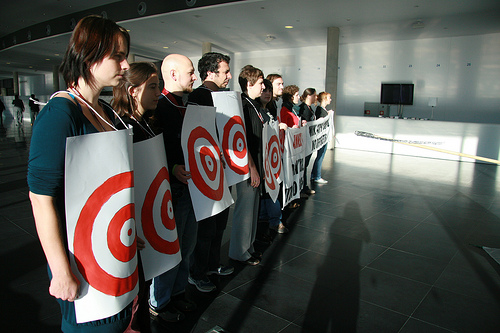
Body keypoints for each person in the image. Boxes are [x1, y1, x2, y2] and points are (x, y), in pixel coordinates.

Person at [27, 15, 132, 332]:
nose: (125, 65)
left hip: (111, 247)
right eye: (118, 55)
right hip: (83, 259)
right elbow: (40, 198)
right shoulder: (60, 113)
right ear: (89, 54)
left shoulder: (105, 109)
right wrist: (60, 271)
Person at [148, 54, 198, 325]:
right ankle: (160, 300)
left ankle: (177, 292)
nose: (195, 76)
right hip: (172, 190)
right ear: (174, 74)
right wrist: (170, 168)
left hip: (192, 187)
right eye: (191, 72)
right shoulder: (162, 107)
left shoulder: (183, 105)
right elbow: (150, 151)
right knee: (171, 248)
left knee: (186, 245)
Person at [112, 61, 160, 332]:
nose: (157, 92)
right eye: (152, 86)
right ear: (132, 91)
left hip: (146, 213)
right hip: (133, 221)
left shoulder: (144, 123)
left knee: (144, 285)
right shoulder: (122, 126)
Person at [187, 52, 234, 293]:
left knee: (219, 223)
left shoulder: (224, 97)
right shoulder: (198, 97)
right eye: (225, 71)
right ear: (210, 72)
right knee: (206, 226)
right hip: (207, 171)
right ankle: (197, 272)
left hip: (223, 169)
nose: (229, 75)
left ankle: (212, 264)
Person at [228, 65, 265, 266]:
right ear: (249, 84)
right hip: (247, 167)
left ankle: (248, 247)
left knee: (252, 209)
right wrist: (251, 168)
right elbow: (241, 140)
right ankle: (239, 251)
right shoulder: (242, 105)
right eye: (260, 83)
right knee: (245, 210)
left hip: (255, 164)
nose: (263, 87)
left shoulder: (254, 105)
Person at [257, 79, 288, 234]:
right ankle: (275, 220)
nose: (267, 93)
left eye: (269, 90)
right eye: (264, 90)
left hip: (271, 157)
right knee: (270, 189)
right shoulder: (257, 111)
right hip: (263, 159)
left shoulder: (270, 109)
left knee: (271, 188)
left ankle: (269, 218)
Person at [298, 88, 318, 197]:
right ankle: (302, 188)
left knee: (305, 165)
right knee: (303, 165)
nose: (316, 98)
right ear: (309, 96)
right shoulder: (304, 108)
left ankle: (304, 187)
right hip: (304, 141)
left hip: (308, 140)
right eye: (314, 95)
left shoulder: (310, 108)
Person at [310, 92, 332, 185]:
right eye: (329, 98)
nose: (330, 100)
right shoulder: (320, 110)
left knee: (320, 156)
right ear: (324, 99)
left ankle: (314, 174)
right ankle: (317, 176)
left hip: (323, 137)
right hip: (322, 138)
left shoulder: (322, 110)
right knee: (320, 156)